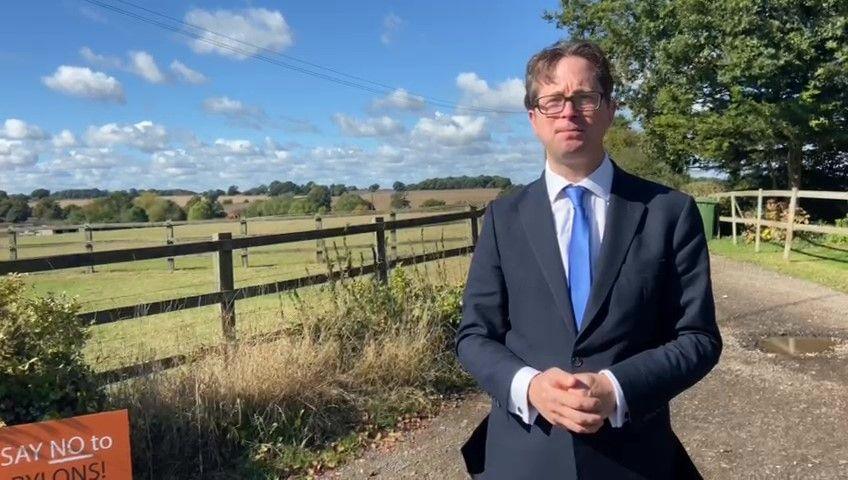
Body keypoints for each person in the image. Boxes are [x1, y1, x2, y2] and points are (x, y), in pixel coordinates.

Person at [454, 39, 722, 479]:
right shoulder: (503, 217)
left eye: (584, 98)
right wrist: (531, 387)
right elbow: (474, 335)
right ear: (533, 118)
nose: (569, 111)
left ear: (610, 109)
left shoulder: (669, 212)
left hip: (635, 456)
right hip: (524, 454)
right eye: (553, 100)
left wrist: (616, 388)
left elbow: (698, 338)